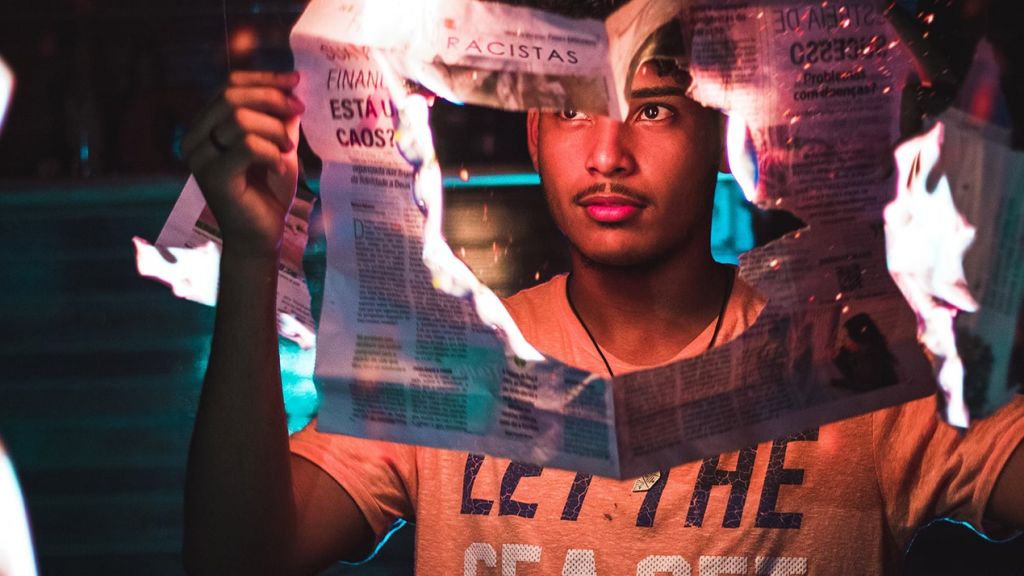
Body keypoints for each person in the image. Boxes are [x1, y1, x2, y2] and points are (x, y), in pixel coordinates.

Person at [179, 19, 1024, 576]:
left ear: (725, 142)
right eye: (577, 111)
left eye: (653, 111)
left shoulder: (857, 367)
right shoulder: (452, 367)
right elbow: (238, 553)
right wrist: (252, 258)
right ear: (536, 133)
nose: (609, 154)